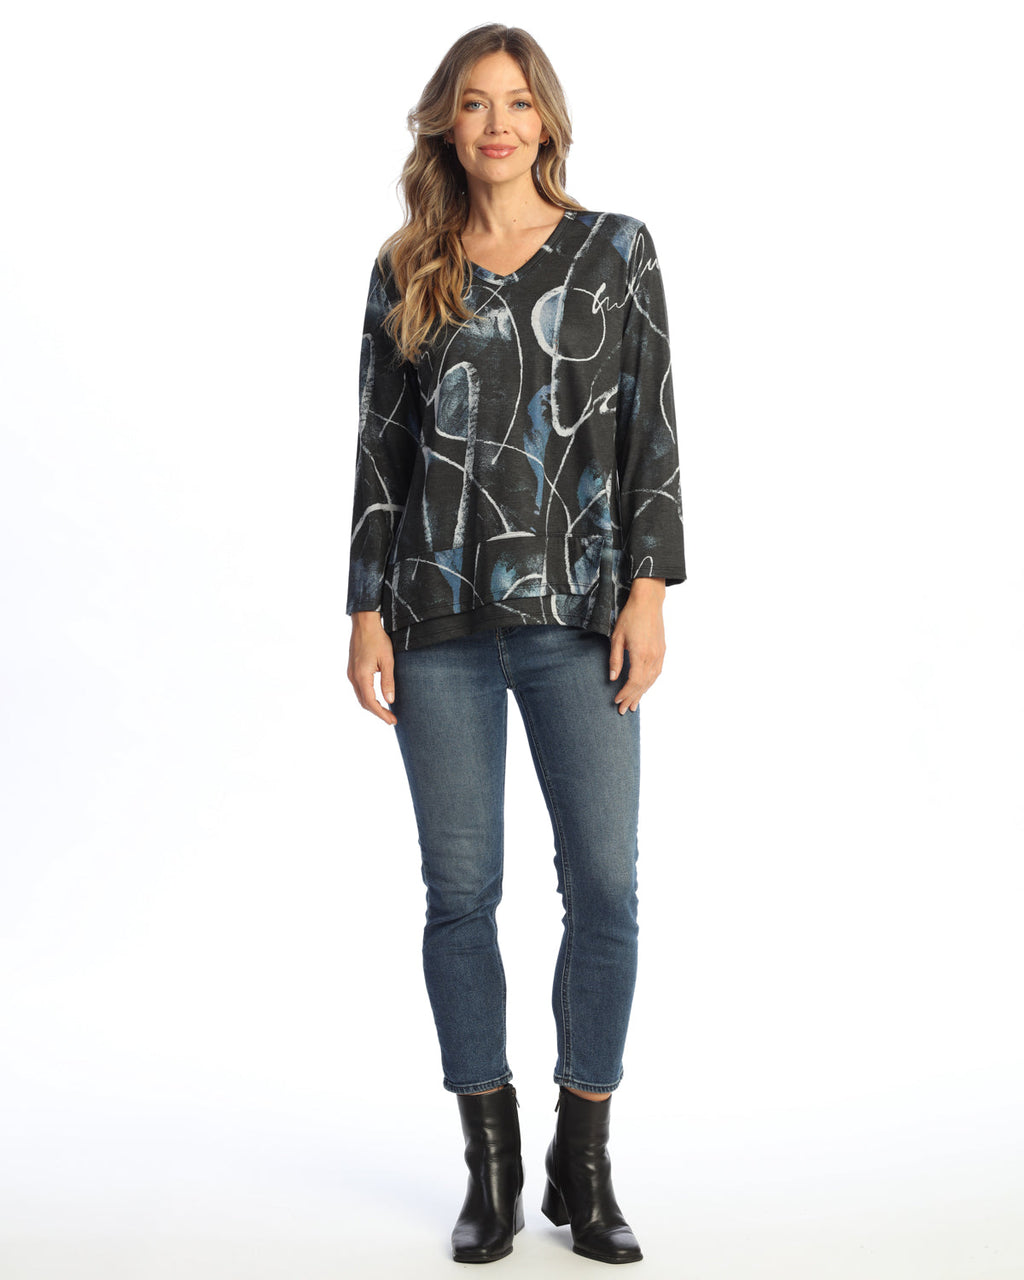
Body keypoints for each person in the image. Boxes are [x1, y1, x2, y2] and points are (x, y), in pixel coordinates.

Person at [346, 23, 686, 1266]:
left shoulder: (615, 250)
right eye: (475, 103)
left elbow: (649, 428)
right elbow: (380, 448)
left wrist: (648, 592)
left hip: (577, 615)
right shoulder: (408, 265)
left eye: (517, 101)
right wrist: (364, 606)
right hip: (433, 620)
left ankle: (580, 1161)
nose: (497, 123)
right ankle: (488, 1167)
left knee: (605, 887)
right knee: (460, 893)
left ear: (547, 118)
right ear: (447, 122)